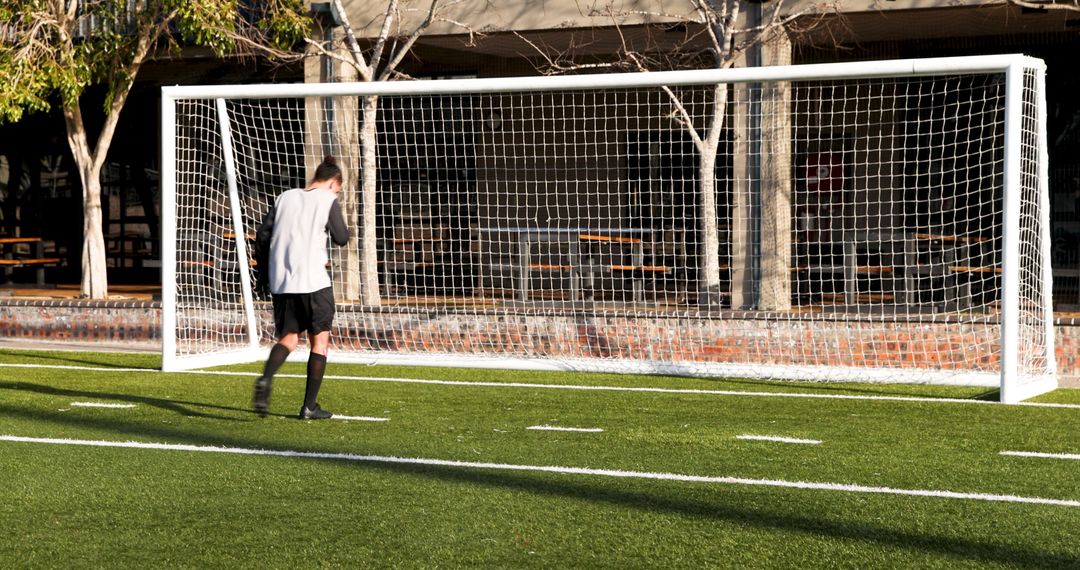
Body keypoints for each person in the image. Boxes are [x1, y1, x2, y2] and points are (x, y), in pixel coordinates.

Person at [252, 155, 350, 420]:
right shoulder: (328, 199)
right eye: (338, 189)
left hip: (283, 282)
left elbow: (262, 235)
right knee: (320, 341)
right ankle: (309, 406)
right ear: (332, 183)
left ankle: (265, 378)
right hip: (315, 282)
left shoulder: (285, 197)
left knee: (289, 338)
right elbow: (341, 238)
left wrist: (262, 273)